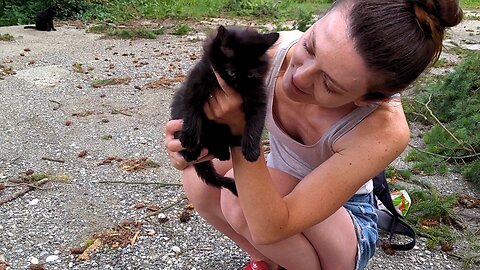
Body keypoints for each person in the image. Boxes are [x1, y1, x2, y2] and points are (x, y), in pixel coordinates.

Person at [164, 0, 463, 269]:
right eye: (309, 47)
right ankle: (268, 262)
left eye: (330, 85)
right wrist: (189, 142)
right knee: (199, 177)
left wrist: (239, 132)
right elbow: (198, 108)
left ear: (368, 98)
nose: (298, 77)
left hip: (345, 225)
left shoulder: (383, 127)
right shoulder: (266, 53)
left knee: (240, 202)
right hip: (281, 184)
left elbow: (272, 226)